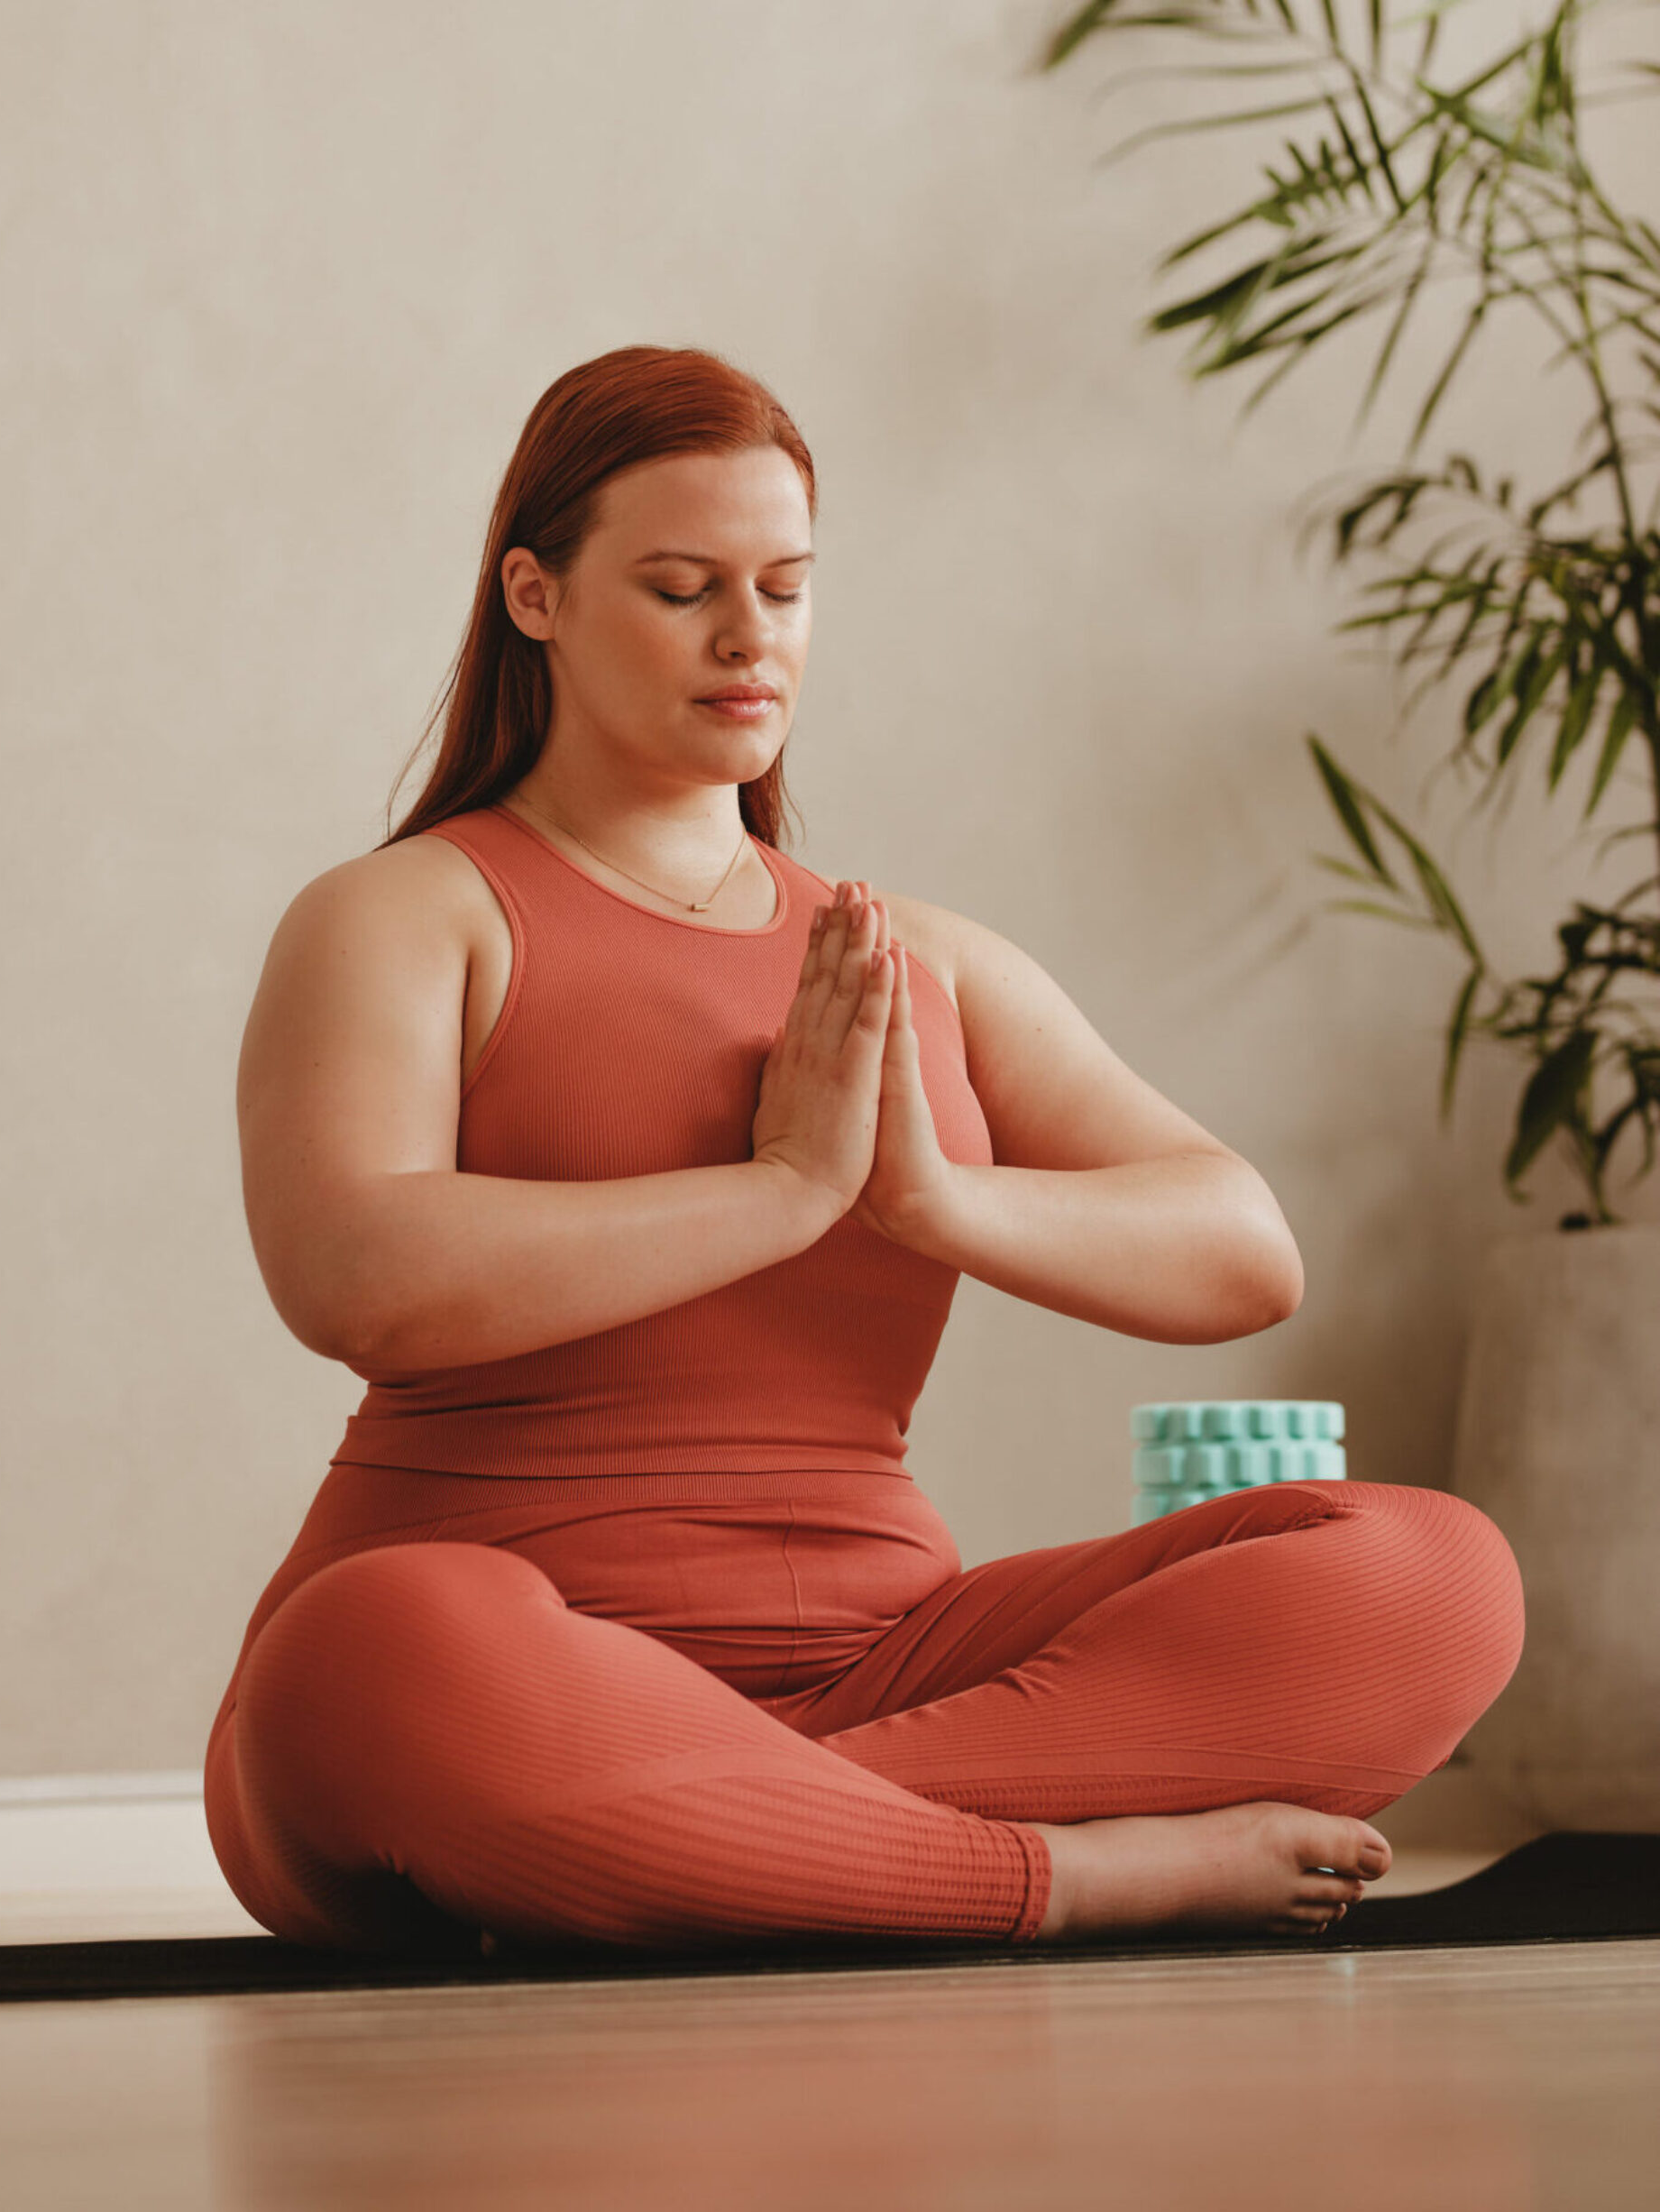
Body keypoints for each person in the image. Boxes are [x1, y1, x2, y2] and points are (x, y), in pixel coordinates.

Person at [202, 344, 1525, 1956]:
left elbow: (1245, 1250)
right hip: (496, 1655)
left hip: (894, 1657)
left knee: (1433, 1572)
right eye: (683, 587)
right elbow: (360, 1277)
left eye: (786, 586)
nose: (749, 637)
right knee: (374, 1648)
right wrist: (778, 1196)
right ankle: (1067, 1873)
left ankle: (707, 1840)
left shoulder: (914, 956)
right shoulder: (406, 914)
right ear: (534, 596)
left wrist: (934, 1199)